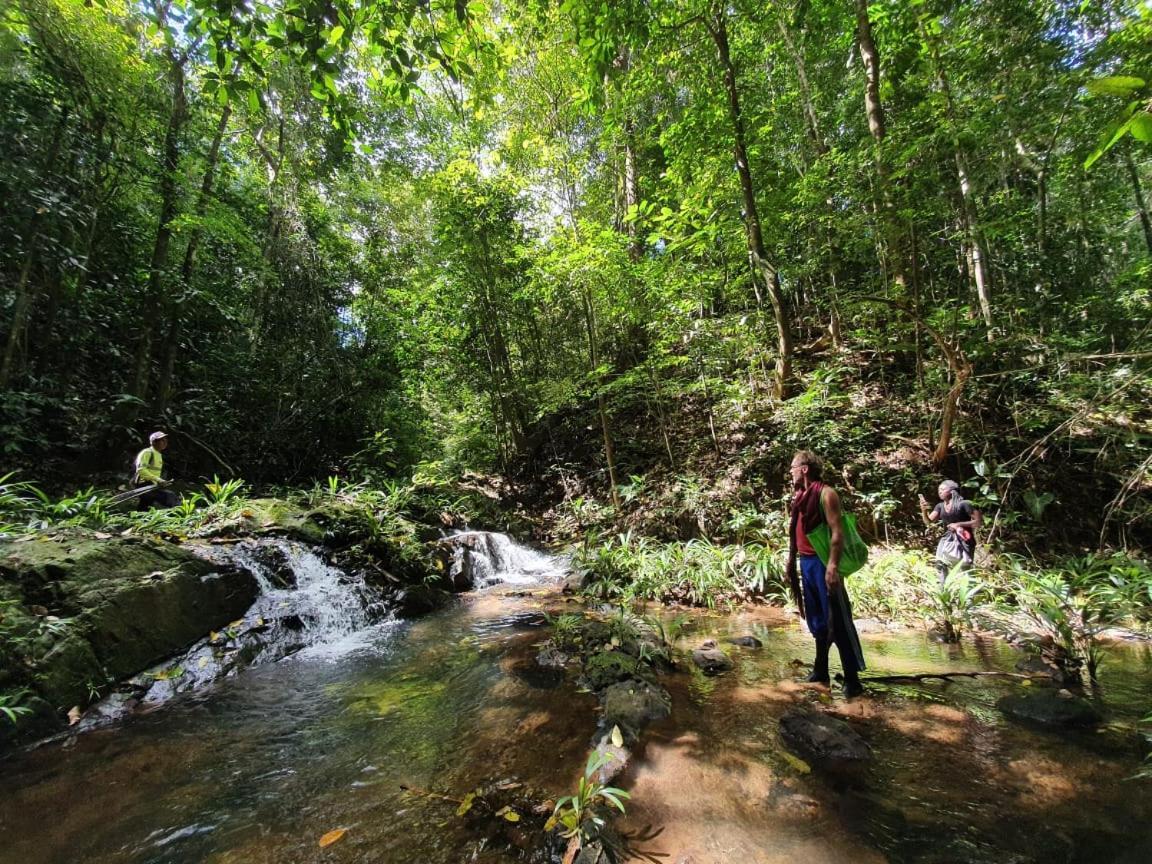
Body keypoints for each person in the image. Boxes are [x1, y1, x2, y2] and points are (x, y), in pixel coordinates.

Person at [787, 451, 866, 697]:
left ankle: (852, 679)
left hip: (823, 563)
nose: (790, 472)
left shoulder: (827, 494)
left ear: (805, 469)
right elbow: (794, 533)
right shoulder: (799, 497)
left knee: (838, 621)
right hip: (807, 563)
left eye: (793, 467)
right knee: (818, 621)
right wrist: (791, 561)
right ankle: (820, 669)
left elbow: (837, 532)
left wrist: (832, 566)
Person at [919, 480, 981, 585]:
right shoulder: (939, 506)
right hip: (947, 538)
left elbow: (978, 522)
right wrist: (924, 510)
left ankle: (969, 598)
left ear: (952, 491)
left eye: (942, 489)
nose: (940, 491)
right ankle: (943, 592)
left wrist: (958, 524)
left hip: (964, 539)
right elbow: (928, 522)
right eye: (939, 490)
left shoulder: (965, 504)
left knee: (966, 567)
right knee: (940, 563)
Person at [133, 431, 178, 508]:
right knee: (170, 497)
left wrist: (160, 482)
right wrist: (158, 480)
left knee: (145, 505)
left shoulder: (158, 454)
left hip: (152, 484)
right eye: (162, 440)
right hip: (144, 484)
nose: (165, 442)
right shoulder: (147, 452)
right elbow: (141, 470)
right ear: (154, 442)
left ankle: (138, 518)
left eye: (166, 440)